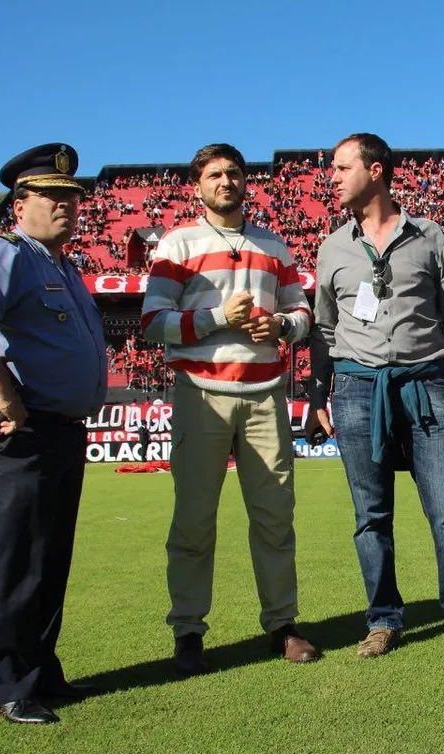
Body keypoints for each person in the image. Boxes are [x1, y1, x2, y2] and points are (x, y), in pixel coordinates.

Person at [305, 133, 444, 659]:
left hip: (425, 384)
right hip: (357, 389)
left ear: (376, 171)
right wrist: (319, 394)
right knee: (370, 515)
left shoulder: (429, 235)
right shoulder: (332, 247)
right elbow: (324, 326)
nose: (332, 178)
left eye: (342, 168)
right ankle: (383, 618)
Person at [0, 143, 108, 725]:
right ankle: (8, 684)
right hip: (19, 425)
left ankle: (40, 671)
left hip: (60, 428)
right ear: (20, 203)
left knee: (50, 556)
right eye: (52, 196)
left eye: (72, 197)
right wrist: (1, 393)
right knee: (16, 555)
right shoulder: (2, 251)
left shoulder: (64, 267)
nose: (67, 205)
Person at [142, 143, 319, 675]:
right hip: (201, 393)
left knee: (275, 517)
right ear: (198, 185)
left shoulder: (273, 243)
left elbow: (302, 313)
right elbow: (153, 322)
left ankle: (282, 624)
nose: (226, 181)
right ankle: (188, 631)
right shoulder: (178, 242)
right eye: (215, 174)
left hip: (265, 394)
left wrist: (280, 325)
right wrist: (219, 317)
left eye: (234, 173)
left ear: (246, 181)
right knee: (194, 520)